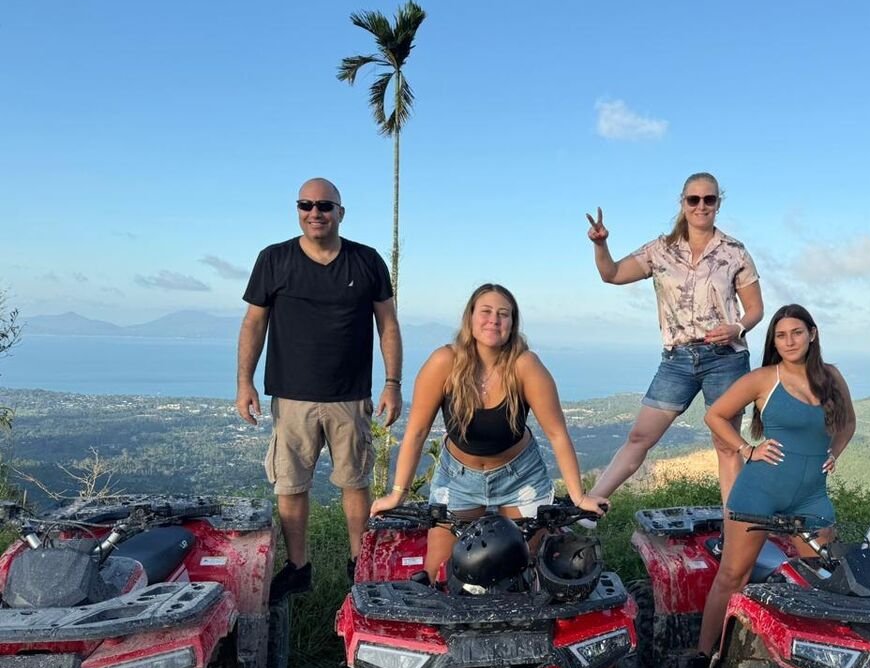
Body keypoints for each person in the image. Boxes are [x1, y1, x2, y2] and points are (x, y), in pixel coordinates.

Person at [237, 178, 403, 603]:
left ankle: (358, 565)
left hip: (349, 396)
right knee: (290, 486)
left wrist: (392, 383)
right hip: (291, 396)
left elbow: (387, 324)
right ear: (297, 210)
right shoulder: (274, 259)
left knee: (355, 483)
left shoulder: (365, 261)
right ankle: (297, 568)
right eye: (306, 205)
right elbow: (254, 323)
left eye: (325, 206)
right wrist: (244, 382)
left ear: (340, 213)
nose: (315, 212)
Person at [370, 283, 607, 581]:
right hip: (458, 479)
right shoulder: (444, 363)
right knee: (439, 572)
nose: (494, 320)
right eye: (486, 311)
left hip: (520, 478)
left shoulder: (525, 366)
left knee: (526, 569)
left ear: (512, 324)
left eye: (503, 314)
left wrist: (578, 496)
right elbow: (416, 431)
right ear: (470, 318)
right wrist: (396, 494)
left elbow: (557, 433)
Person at [587, 172, 763, 502]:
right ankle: (589, 506)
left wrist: (737, 328)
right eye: (693, 199)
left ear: (718, 204)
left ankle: (734, 530)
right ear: (682, 203)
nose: (701, 206)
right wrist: (601, 245)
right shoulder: (660, 250)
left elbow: (755, 309)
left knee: (726, 446)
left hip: (726, 359)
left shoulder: (735, 252)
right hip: (677, 359)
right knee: (640, 436)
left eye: (708, 199)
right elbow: (611, 274)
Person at [697, 304, 856, 654]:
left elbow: (847, 423)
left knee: (821, 581)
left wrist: (834, 453)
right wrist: (747, 449)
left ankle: (812, 662)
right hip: (759, 492)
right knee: (732, 577)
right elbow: (716, 415)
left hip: (812, 496)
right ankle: (704, 657)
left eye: (796, 332)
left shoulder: (831, 376)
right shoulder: (764, 379)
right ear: (774, 341)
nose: (789, 341)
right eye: (781, 335)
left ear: (812, 334)